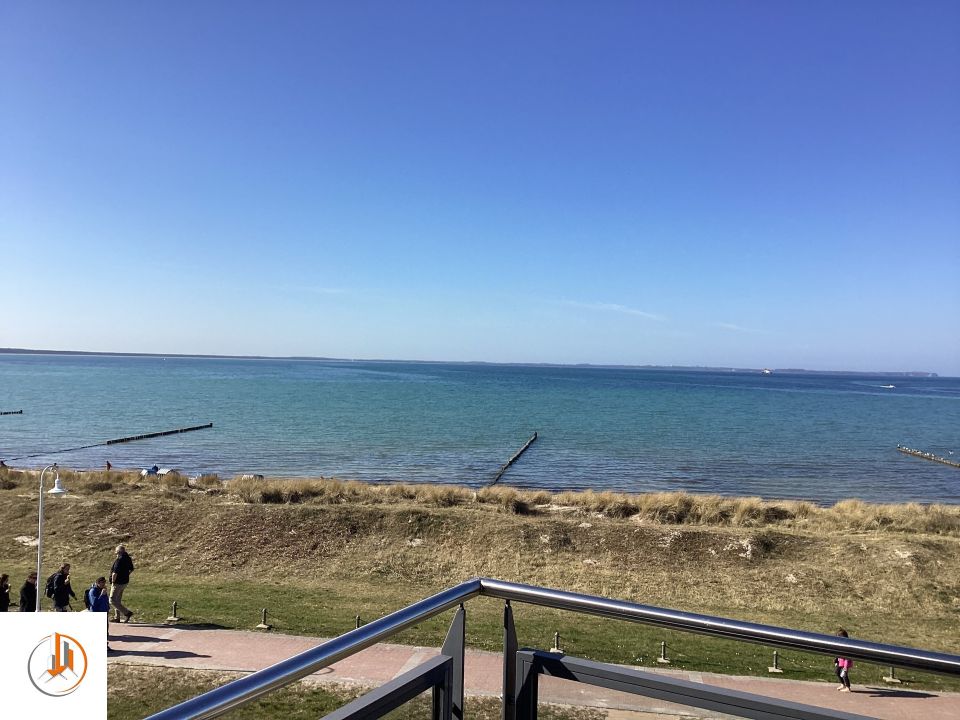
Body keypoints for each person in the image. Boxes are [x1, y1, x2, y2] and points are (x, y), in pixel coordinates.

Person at [86, 576, 113, 651]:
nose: (104, 584)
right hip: (97, 613)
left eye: (104, 582)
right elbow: (94, 603)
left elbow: (105, 601)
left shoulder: (103, 589)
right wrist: (101, 595)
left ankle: (105, 645)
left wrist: (107, 608)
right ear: (98, 583)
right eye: (102, 583)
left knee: (105, 631)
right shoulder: (93, 591)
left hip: (104, 612)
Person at [110, 544, 135, 622]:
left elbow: (115, 573)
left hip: (117, 583)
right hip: (125, 582)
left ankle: (127, 613)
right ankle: (117, 617)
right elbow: (131, 569)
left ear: (119, 552)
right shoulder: (128, 559)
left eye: (116, 552)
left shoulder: (119, 560)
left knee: (112, 600)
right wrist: (126, 575)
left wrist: (113, 582)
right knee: (117, 600)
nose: (116, 554)